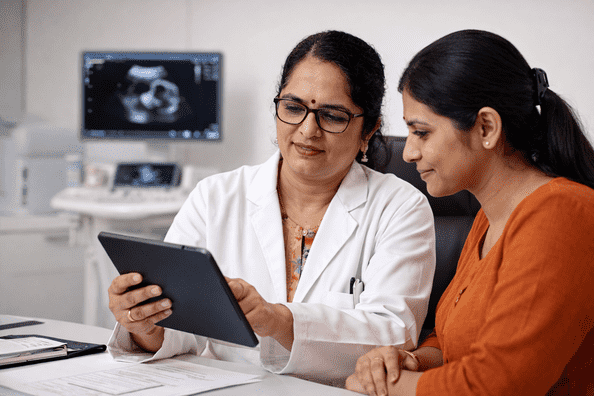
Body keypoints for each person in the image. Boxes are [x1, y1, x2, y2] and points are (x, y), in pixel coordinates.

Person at [107, 30, 436, 385]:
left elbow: (394, 335)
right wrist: (144, 324)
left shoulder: (401, 208)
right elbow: (182, 326)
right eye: (294, 108)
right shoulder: (215, 196)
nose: (308, 130)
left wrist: (279, 320)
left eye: (332, 115)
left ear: (368, 130)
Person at [346, 29, 594, 395]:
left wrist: (383, 387)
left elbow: (500, 385)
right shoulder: (486, 219)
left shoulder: (561, 214)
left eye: (421, 132)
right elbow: (453, 340)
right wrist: (411, 360)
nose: (409, 152)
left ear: (486, 127)